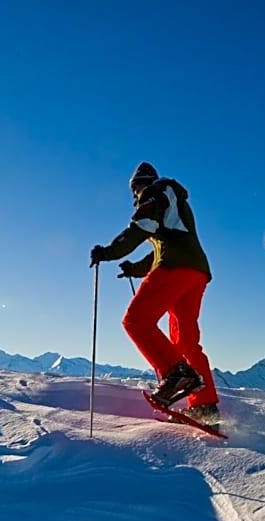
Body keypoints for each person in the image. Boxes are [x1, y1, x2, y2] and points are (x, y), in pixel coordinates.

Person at [90, 162, 220, 426]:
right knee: (185, 340)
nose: (134, 196)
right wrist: (135, 269)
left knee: (136, 321)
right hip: (195, 272)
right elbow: (163, 245)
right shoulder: (173, 200)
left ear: (140, 184)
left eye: (133, 190)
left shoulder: (154, 192)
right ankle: (205, 406)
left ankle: (176, 375)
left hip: (175, 268)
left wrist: (109, 252)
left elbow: (141, 226)